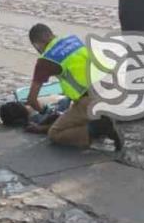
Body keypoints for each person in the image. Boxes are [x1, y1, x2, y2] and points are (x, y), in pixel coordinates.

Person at [26, 23, 124, 151]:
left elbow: (32, 100)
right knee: (72, 110)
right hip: (113, 90)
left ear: (36, 44)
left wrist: (45, 112)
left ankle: (96, 129)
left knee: (55, 133)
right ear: (51, 34)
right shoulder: (72, 40)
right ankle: (101, 119)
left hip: (90, 99)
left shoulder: (45, 61)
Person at [1, 90, 144, 133]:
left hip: (91, 101)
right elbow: (61, 118)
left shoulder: (40, 112)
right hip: (91, 108)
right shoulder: (37, 119)